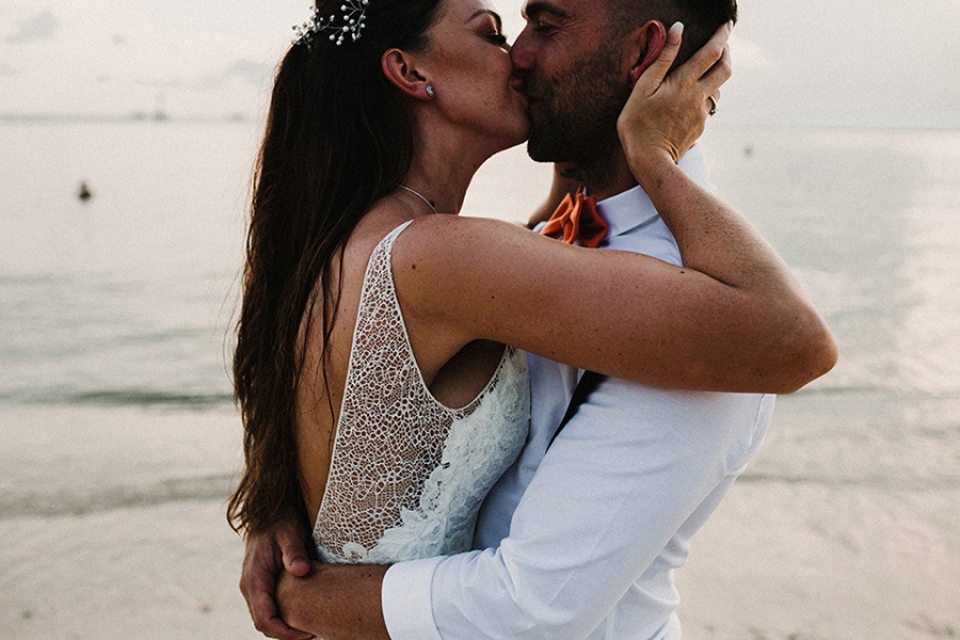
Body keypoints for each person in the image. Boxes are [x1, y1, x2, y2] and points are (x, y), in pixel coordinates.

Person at [234, 0, 838, 637]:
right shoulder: (445, 256)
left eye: (542, 28)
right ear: (409, 74)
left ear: (642, 52)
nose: (519, 56)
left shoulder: (368, 240)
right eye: (497, 33)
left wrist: (296, 561)